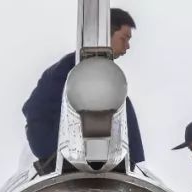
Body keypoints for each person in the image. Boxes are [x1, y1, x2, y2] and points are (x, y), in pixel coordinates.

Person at [22, 7, 144, 169]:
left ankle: (130, 161)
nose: (127, 46)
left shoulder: (98, 73)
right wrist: (54, 148)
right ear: (107, 33)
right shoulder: (74, 70)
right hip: (57, 146)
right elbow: (34, 109)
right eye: (124, 38)